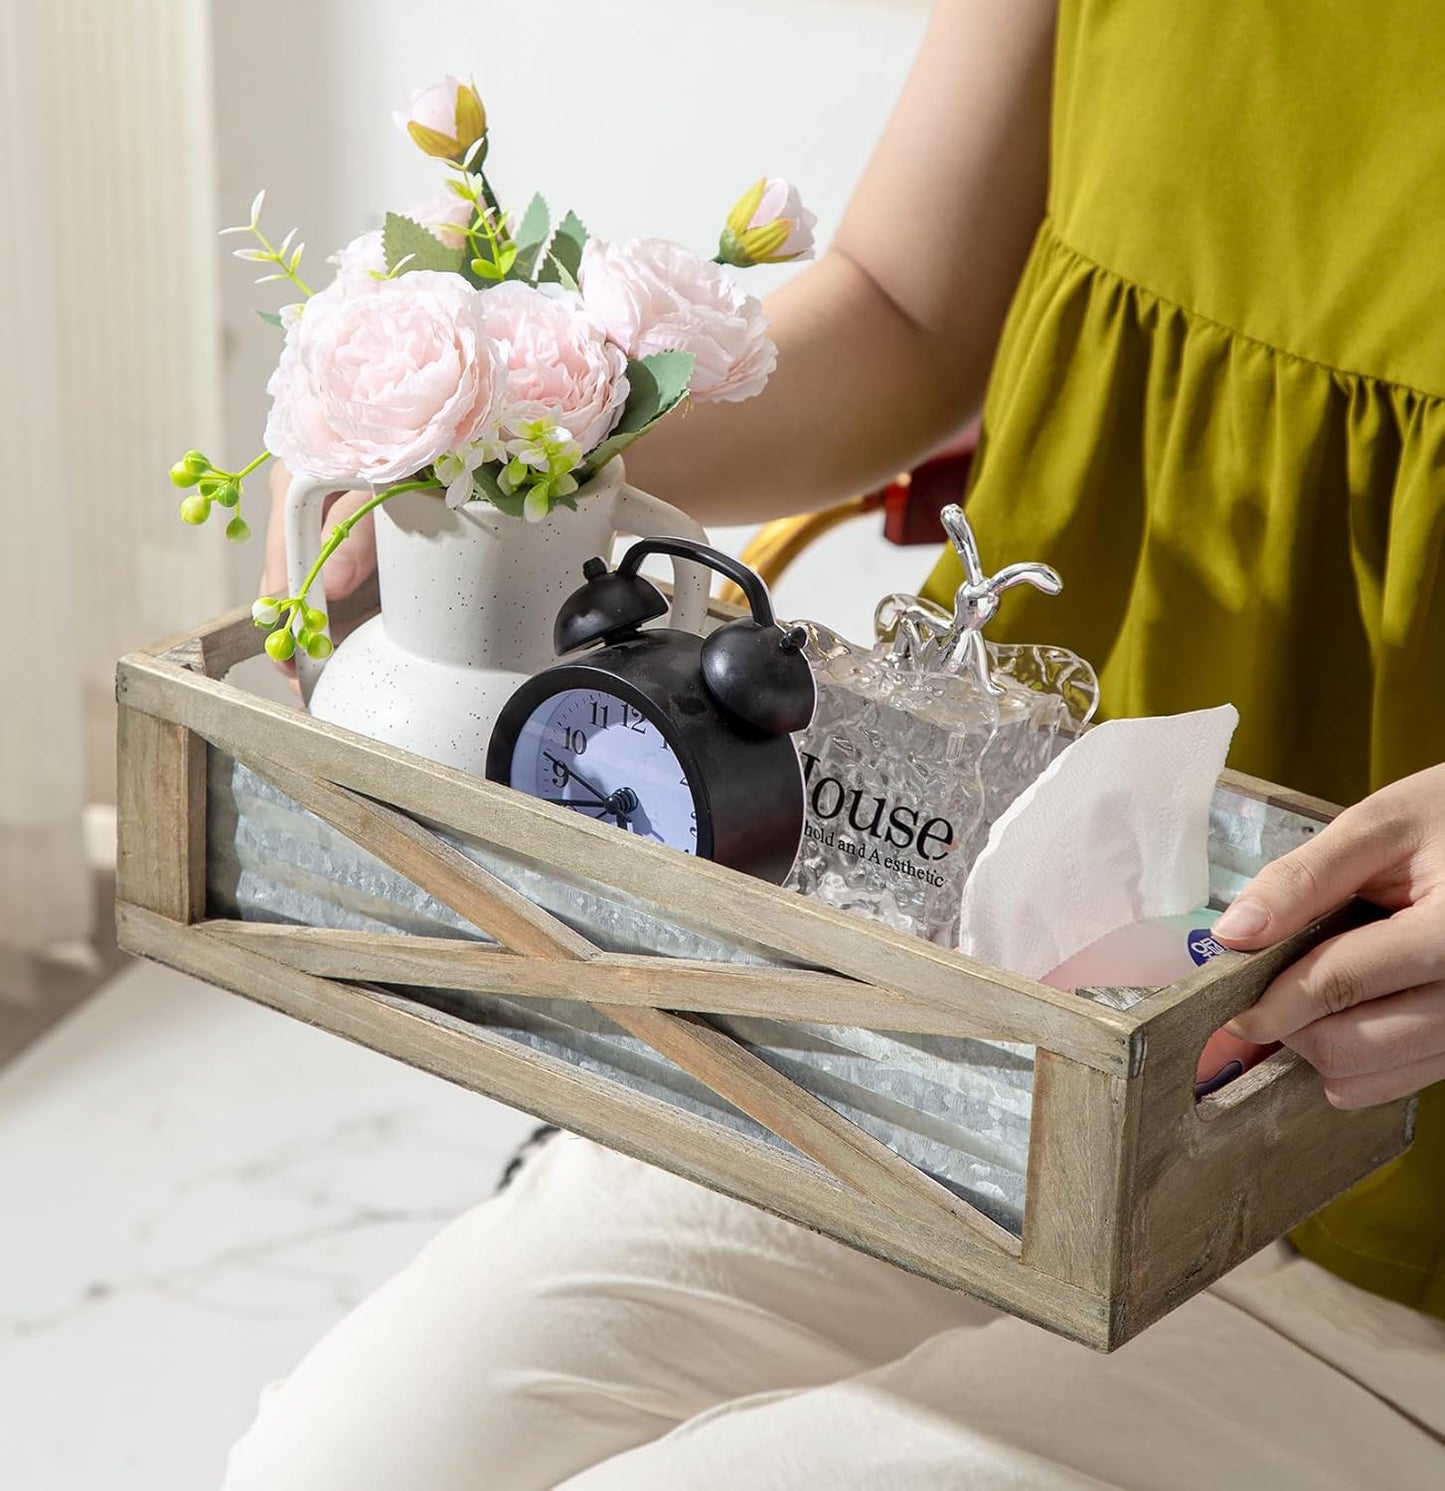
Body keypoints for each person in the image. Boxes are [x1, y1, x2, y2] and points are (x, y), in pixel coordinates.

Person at [240, 1, 1445, 1485]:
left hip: (1399, 1203)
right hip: (957, 1020)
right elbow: (903, 309)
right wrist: (510, 448)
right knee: (344, 1465)